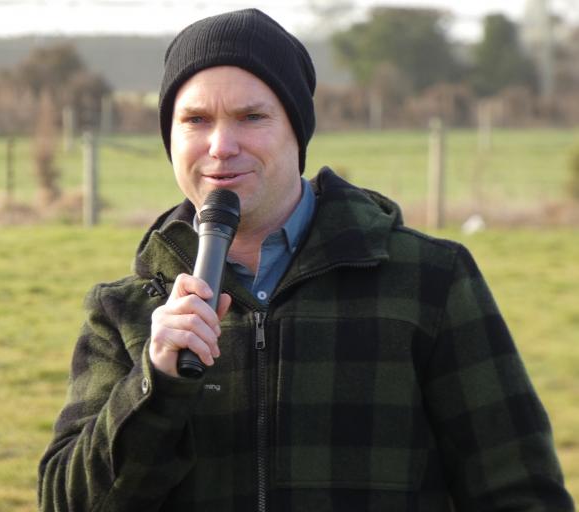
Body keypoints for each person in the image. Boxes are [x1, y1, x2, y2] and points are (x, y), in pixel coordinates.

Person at [38, 8, 575, 512]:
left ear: (298, 131)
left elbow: (521, 491)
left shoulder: (429, 282)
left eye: (251, 117)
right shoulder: (127, 311)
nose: (221, 145)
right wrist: (154, 381)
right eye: (196, 119)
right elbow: (67, 501)